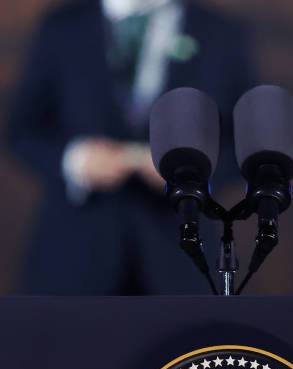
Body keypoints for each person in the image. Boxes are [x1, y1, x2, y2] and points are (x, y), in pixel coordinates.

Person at [7, 0, 256, 295]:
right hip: (74, 251)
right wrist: (76, 159)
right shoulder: (63, 27)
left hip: (183, 253)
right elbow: (21, 130)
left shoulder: (220, 32)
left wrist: (192, 171)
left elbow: (246, 142)